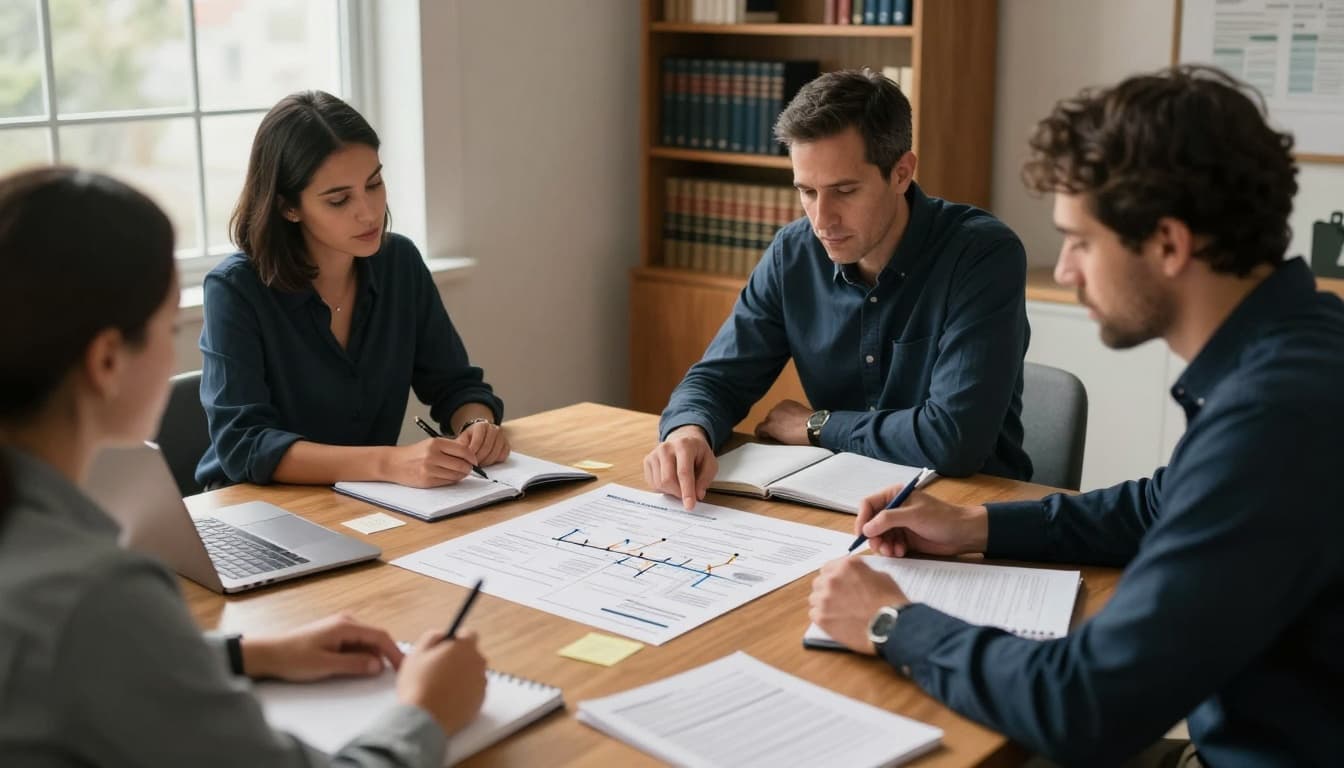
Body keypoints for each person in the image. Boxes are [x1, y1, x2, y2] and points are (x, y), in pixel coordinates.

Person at [808, 65, 1344, 766]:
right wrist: (979, 524)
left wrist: (888, 622)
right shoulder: (1306, 339)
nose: (1064, 270)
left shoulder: (1276, 416)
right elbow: (1166, 503)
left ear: (1169, 244)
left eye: (1081, 241)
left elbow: (1084, 703)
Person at [0, 167, 488, 766]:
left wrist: (246, 655)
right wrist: (426, 713)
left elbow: (86, 666)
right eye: (165, 327)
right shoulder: (96, 594)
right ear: (106, 362)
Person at [644, 68, 1032, 511]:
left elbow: (953, 440)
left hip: (972, 513)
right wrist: (687, 431)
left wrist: (818, 426)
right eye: (806, 191)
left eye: (844, 191)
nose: (821, 220)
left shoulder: (982, 254)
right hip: (843, 504)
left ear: (902, 173)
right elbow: (717, 379)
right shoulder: (793, 253)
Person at [197, 90, 506, 490]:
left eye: (374, 184)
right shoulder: (235, 290)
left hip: (363, 499)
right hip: (255, 506)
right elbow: (245, 444)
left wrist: (477, 425)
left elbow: (455, 385)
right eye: (339, 200)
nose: (369, 211)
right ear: (288, 207)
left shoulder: (400, 264)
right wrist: (389, 463)